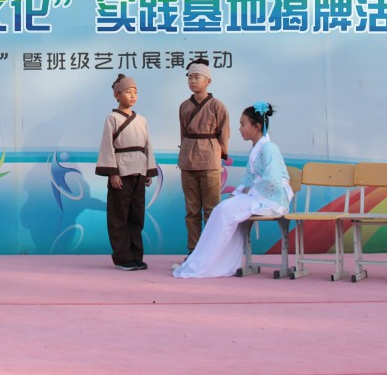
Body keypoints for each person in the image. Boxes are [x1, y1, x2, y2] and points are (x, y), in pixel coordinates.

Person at [173, 102, 293, 278]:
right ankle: (205, 260)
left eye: (243, 124)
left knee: (225, 212)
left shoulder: (269, 148)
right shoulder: (257, 147)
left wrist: (250, 192)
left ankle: (209, 263)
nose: (240, 129)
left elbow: (273, 181)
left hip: (272, 199)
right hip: (258, 196)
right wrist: (236, 193)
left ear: (256, 126)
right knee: (220, 209)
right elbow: (249, 177)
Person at [95, 74, 158, 271]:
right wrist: (113, 173)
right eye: (128, 92)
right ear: (117, 95)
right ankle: (122, 258)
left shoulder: (142, 120)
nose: (132, 96)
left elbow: (147, 145)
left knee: (136, 216)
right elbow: (107, 146)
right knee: (119, 216)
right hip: (121, 172)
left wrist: (148, 170)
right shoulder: (112, 118)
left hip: (139, 171)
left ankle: (136, 256)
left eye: (135, 92)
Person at [177, 58, 230, 255]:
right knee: (191, 210)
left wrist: (221, 152)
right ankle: (193, 251)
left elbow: (224, 133)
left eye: (196, 77)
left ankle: (212, 253)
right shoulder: (184, 106)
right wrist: (184, 152)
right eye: (189, 77)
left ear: (208, 81)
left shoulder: (217, 106)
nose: (192, 81)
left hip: (209, 159)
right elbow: (183, 133)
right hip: (188, 160)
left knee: (212, 209)